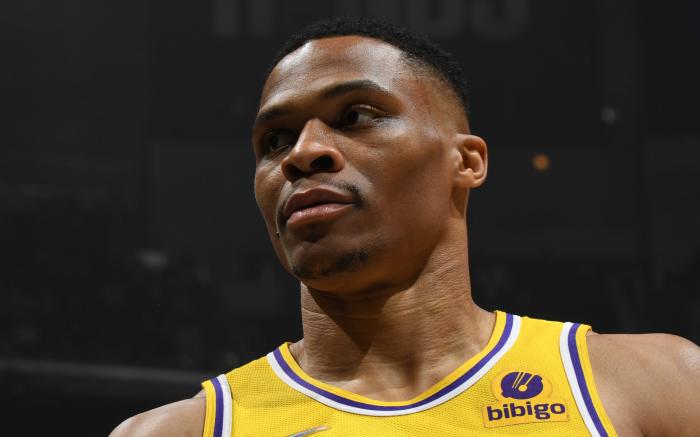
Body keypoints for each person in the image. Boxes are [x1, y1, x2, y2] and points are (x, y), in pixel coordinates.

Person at [111, 17, 700, 437]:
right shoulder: (178, 431)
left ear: (466, 161)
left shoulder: (660, 385)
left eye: (356, 115)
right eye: (275, 140)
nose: (303, 152)